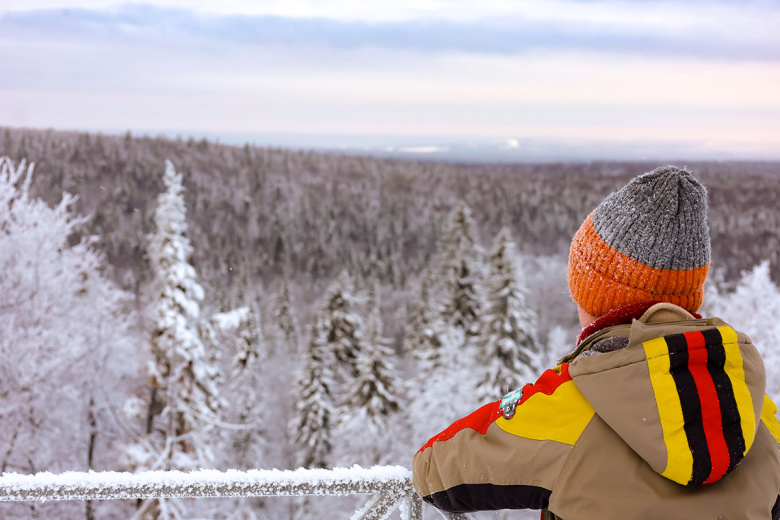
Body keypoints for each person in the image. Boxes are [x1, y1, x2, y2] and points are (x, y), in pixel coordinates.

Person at [412, 166, 780, 519]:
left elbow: (433, 468)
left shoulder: (572, 405)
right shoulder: (753, 409)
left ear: (598, 300)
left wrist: (529, 398)